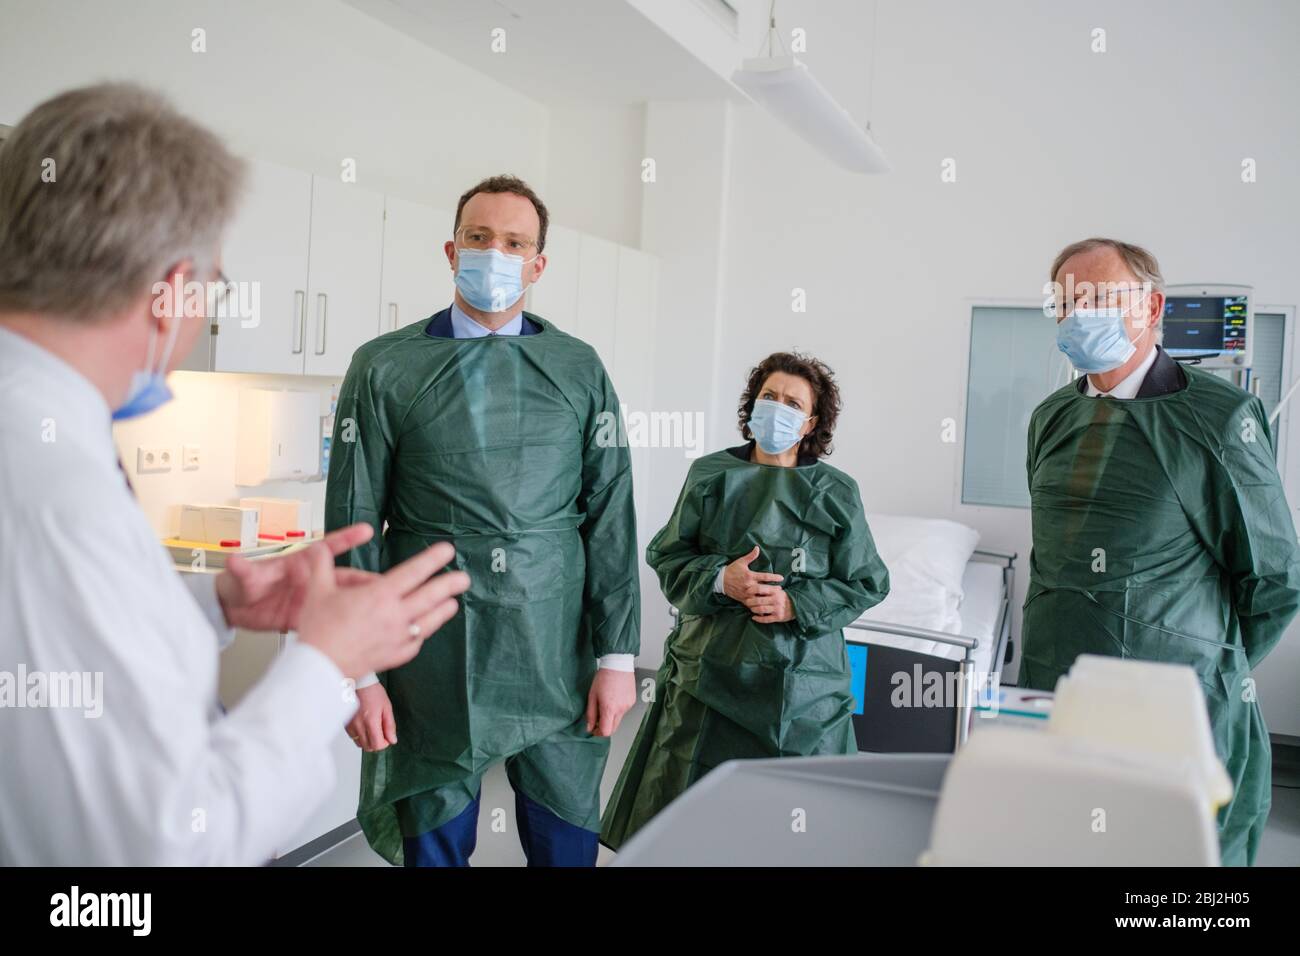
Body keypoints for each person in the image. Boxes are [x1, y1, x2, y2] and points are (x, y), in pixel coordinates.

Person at [0, 83, 470, 865]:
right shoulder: (57, 494)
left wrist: (209, 602)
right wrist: (326, 665)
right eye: (213, 285)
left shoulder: (41, 439)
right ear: (174, 289)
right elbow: (157, 854)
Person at [326, 175, 640, 867]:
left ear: (538, 263)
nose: (494, 253)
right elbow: (352, 523)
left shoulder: (578, 369)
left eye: (514, 242)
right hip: (431, 652)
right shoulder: (384, 368)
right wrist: (360, 676)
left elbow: (611, 514)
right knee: (436, 841)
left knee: (565, 838)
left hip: (555, 646)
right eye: (479, 237)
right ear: (451, 249)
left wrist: (617, 659)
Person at [1021, 236, 1300, 866]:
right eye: (1066, 301)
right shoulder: (1051, 419)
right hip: (1058, 698)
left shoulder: (1219, 419)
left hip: (1177, 712)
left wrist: (1199, 662)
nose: (1078, 312)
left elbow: (1276, 578)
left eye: (1097, 297)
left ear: (1151, 309)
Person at [601, 352, 889, 850]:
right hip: (706, 677)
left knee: (788, 830)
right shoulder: (710, 475)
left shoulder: (836, 492)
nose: (777, 409)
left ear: (811, 422)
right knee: (689, 821)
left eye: (792, 403)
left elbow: (867, 581)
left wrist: (796, 605)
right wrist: (720, 580)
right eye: (768, 397)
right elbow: (667, 557)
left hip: (799, 689)